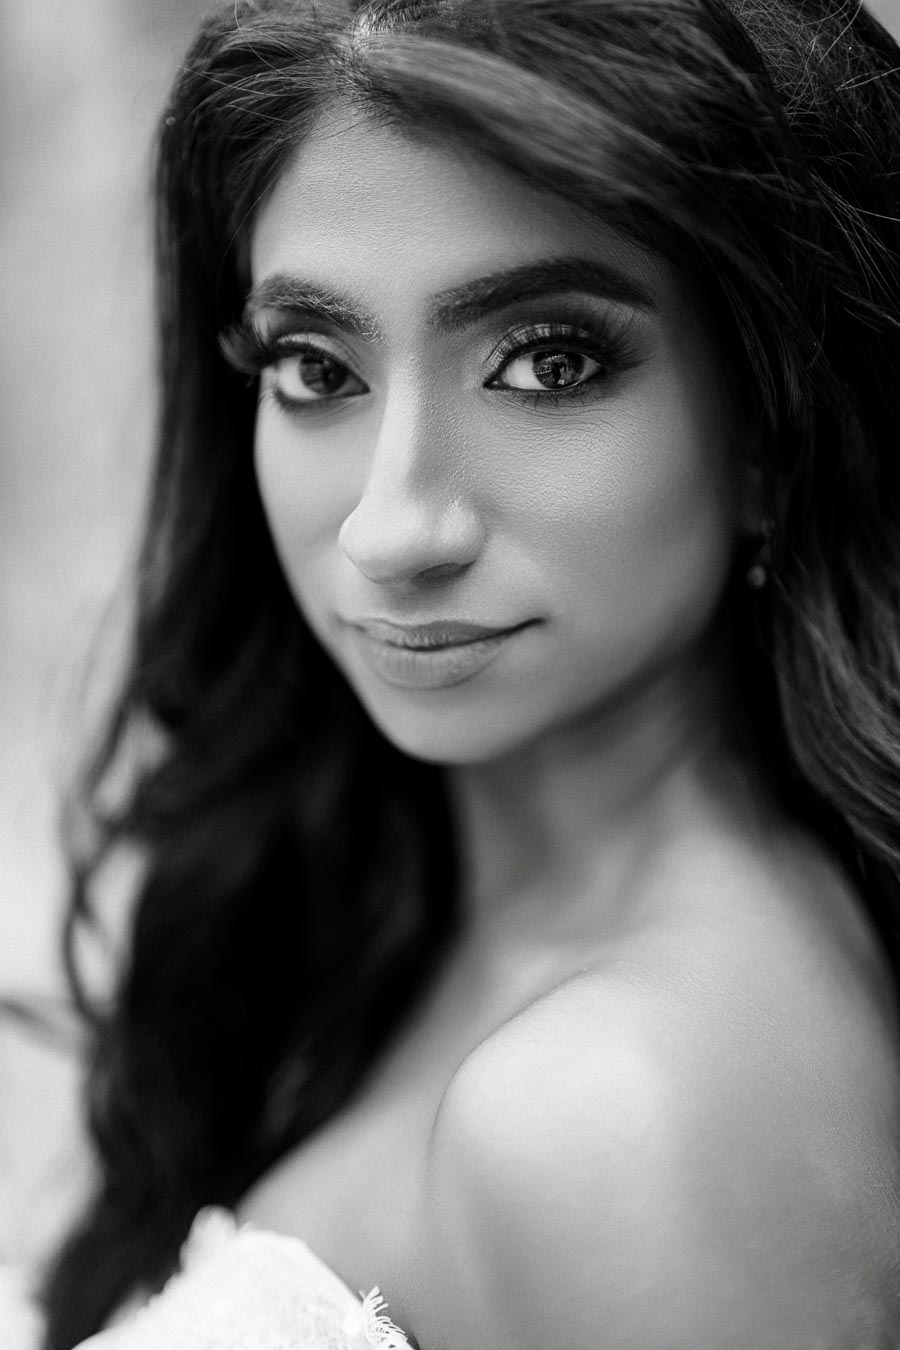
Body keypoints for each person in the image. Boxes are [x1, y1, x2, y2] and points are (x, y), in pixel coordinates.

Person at [6, 0, 900, 1344]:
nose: (392, 527)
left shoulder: (622, 1108)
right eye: (318, 368)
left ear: (774, 432)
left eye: (547, 362)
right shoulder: (367, 913)